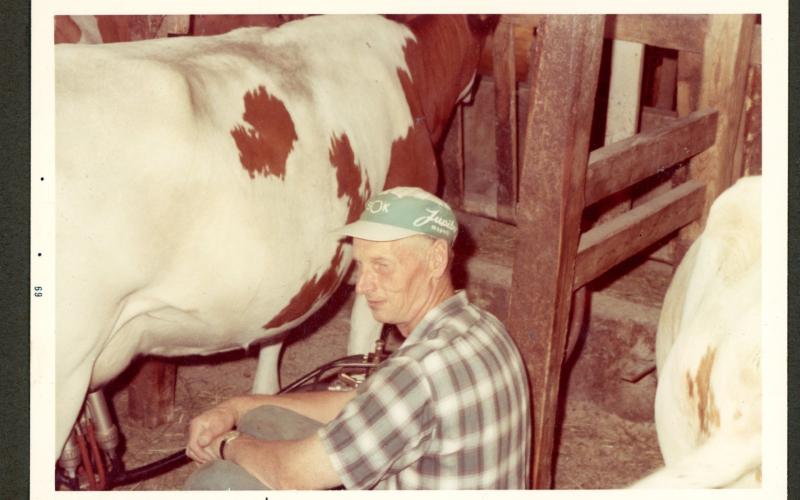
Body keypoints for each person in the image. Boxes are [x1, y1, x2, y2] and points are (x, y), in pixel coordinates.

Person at [184, 186, 531, 490]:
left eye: (381, 265)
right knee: (262, 419)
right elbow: (361, 401)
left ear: (436, 259)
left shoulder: (417, 371)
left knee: (215, 481)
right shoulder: (484, 327)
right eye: (361, 266)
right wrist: (237, 407)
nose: (363, 286)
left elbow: (292, 476)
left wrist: (229, 443)